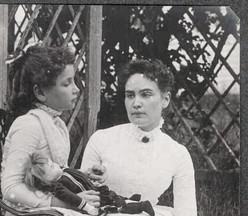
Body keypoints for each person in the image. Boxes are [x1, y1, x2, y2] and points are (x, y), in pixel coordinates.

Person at [81, 59, 197, 216]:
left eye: (146, 94)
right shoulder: (102, 140)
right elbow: (82, 199)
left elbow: (187, 212)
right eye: (130, 95)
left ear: (165, 99)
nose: (136, 103)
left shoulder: (178, 154)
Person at [1, 42, 103, 213]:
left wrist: (83, 175)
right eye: (66, 83)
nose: (76, 89)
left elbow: (52, 174)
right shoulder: (28, 126)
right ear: (40, 93)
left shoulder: (56, 124)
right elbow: (10, 188)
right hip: (28, 211)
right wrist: (65, 203)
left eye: (75, 81)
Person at [25, 153, 155, 216]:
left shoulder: (64, 170)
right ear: (47, 179)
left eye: (52, 163)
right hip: (97, 198)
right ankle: (141, 206)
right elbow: (73, 198)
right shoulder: (59, 186)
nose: (56, 165)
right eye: (52, 168)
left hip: (98, 190)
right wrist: (87, 207)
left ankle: (131, 200)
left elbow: (79, 175)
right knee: (116, 207)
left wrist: (89, 172)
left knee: (117, 199)